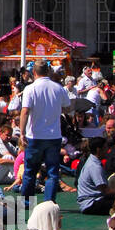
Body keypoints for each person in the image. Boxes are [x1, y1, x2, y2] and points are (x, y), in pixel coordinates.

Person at [19, 61, 70, 204]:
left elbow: (25, 111)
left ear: (34, 73)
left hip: (34, 135)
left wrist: (21, 133)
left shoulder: (30, 88)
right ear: (48, 71)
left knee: (30, 171)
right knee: (53, 172)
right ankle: (49, 201)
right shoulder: (58, 88)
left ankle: (27, 202)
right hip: (53, 136)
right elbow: (67, 107)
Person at [77, 138, 114, 215]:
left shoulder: (91, 160)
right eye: (105, 148)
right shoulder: (95, 166)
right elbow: (105, 190)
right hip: (91, 204)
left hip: (92, 200)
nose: (107, 150)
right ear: (98, 150)